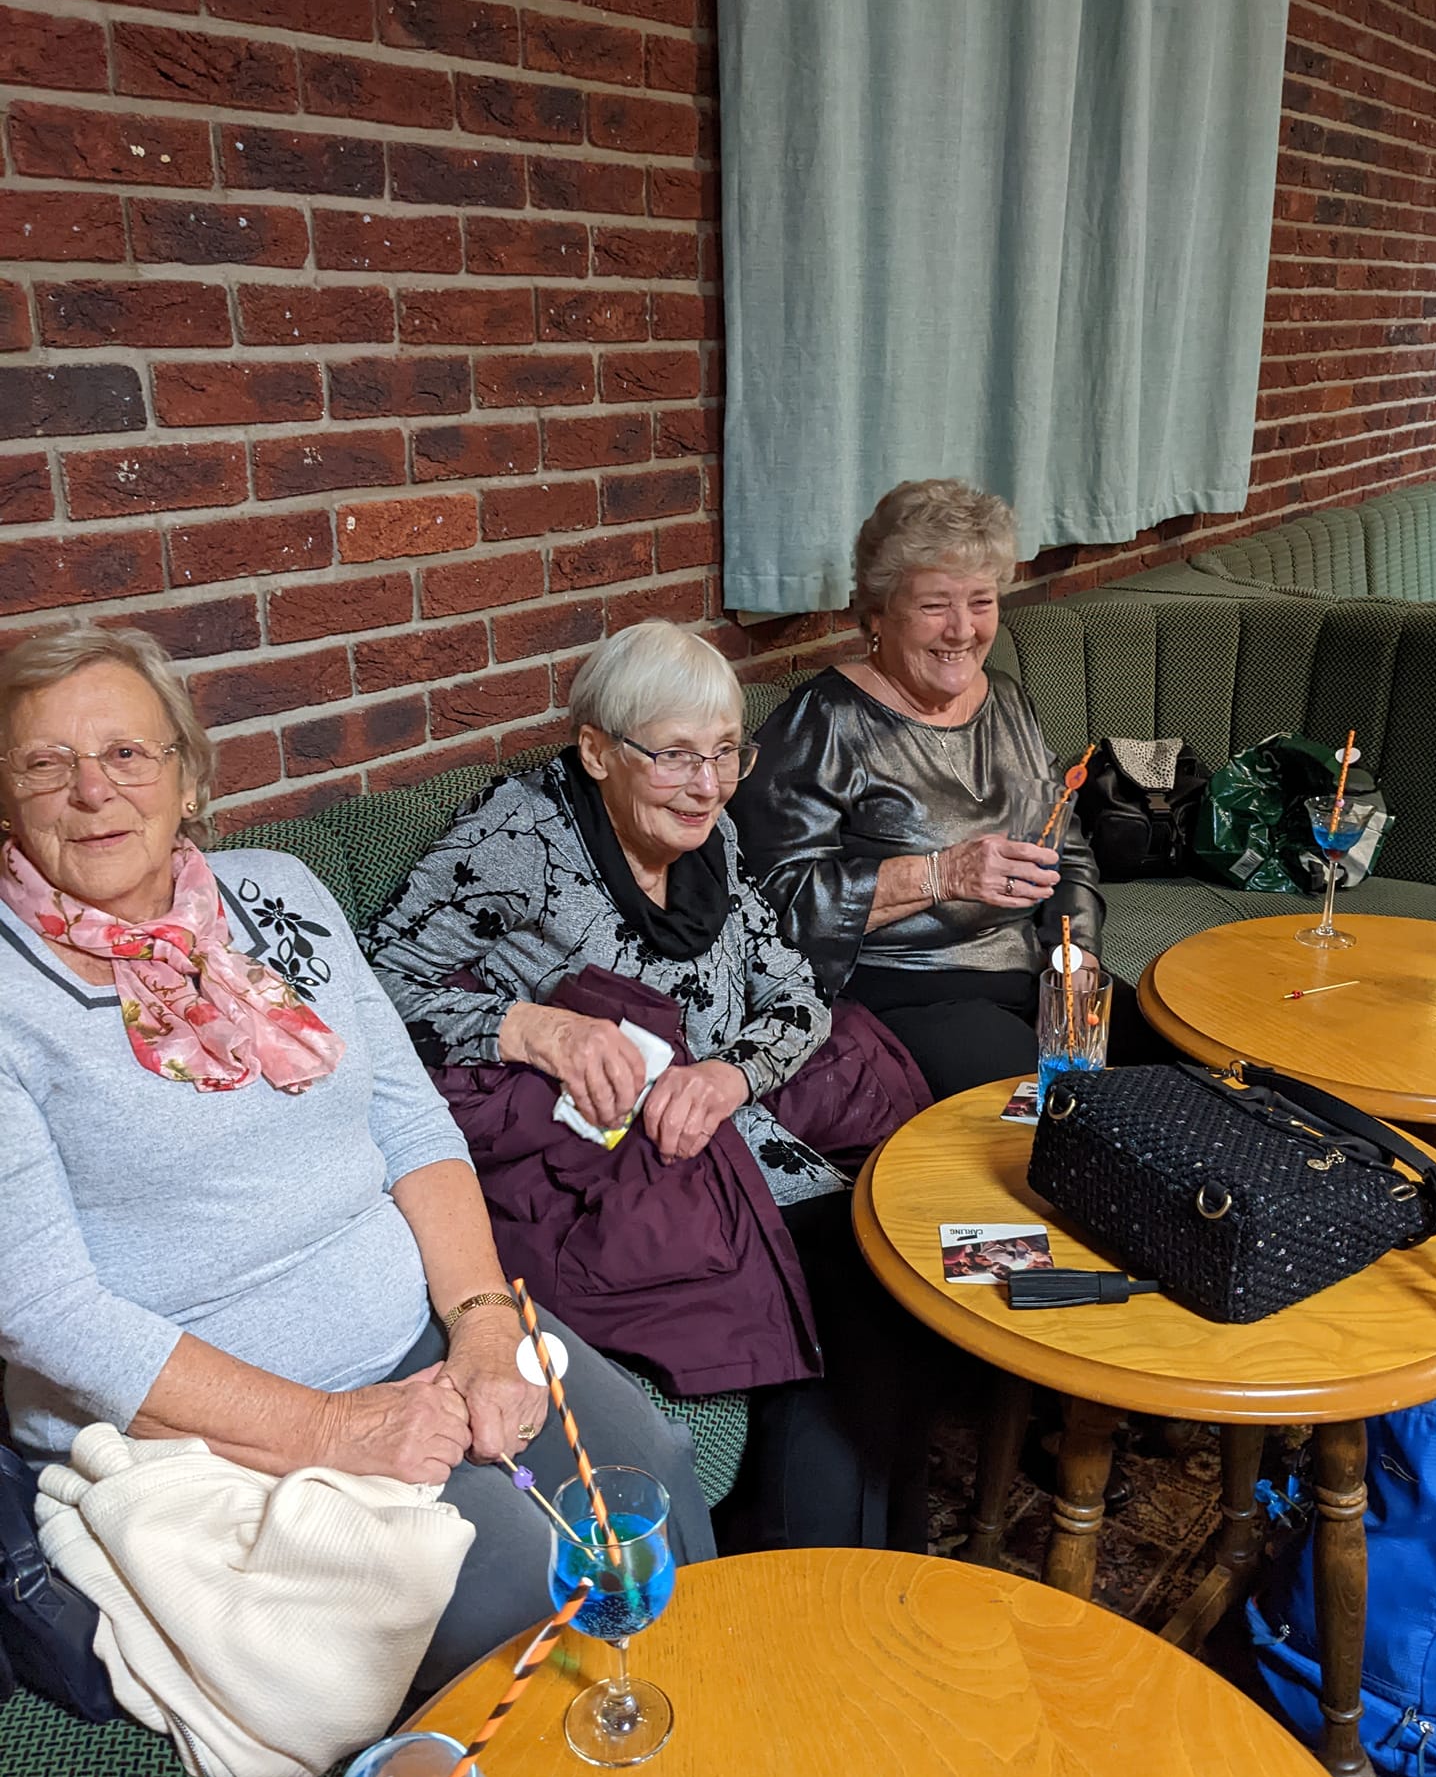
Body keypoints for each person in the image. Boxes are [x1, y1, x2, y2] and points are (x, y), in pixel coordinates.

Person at [0, 622, 714, 1695]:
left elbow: (412, 1125)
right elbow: (44, 1309)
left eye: (128, 754)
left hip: (424, 1327)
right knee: (526, 1582)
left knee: (649, 1473)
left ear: (188, 778)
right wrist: (332, 1426)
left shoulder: (280, 890)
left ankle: (704, 1738)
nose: (93, 790)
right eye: (45, 763)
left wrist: (484, 1326)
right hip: (217, 1426)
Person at [364, 620, 932, 1552]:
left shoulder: (711, 839)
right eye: (675, 756)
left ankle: (878, 1577)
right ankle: (826, 1587)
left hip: (733, 1137)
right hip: (615, 1175)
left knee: (884, 1281)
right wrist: (533, 1027)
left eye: (725, 752)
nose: (708, 784)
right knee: (849, 1307)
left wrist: (731, 1073)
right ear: (597, 751)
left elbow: (796, 991)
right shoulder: (519, 841)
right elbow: (375, 989)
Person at [732, 477, 1106, 1101]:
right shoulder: (824, 722)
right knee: (1058, 1110)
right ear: (878, 614)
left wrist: (1079, 956)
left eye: (981, 601)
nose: (962, 630)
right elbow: (775, 904)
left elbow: (1065, 849)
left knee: (1168, 1075)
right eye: (936, 605)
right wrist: (942, 874)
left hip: (1030, 976)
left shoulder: (1007, 700)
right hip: (906, 994)